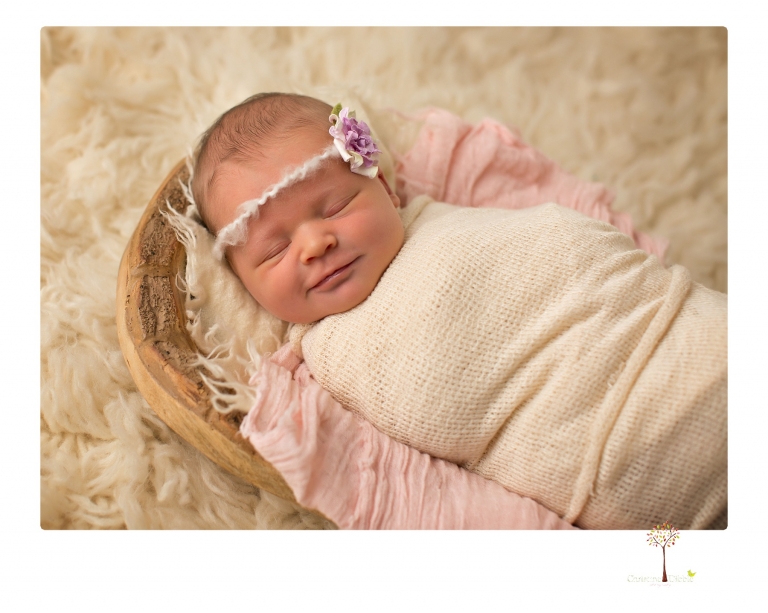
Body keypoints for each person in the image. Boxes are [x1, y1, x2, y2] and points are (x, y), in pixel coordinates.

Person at [192, 92, 727, 530]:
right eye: (275, 250)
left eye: (334, 207)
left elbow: (555, 218)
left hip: (696, 341)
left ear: (381, 185)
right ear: (244, 284)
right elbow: (415, 491)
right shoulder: (316, 379)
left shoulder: (444, 211)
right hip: (633, 467)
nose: (314, 244)